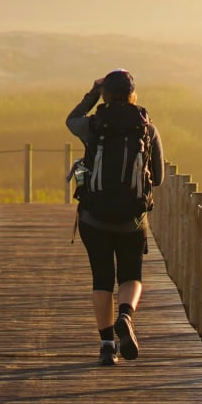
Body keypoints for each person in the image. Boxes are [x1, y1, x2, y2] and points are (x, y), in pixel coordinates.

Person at [65, 69, 163, 366]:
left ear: (105, 94)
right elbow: (156, 178)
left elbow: (71, 120)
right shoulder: (147, 128)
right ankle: (126, 315)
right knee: (131, 275)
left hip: (93, 218)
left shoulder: (92, 125)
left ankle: (107, 345)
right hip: (133, 220)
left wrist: (92, 93)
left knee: (102, 280)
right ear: (133, 93)